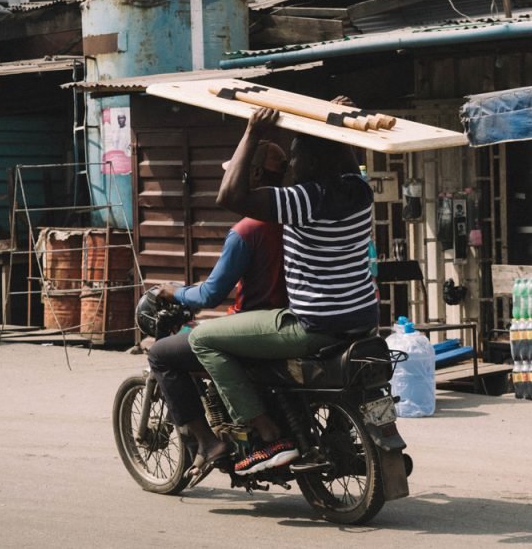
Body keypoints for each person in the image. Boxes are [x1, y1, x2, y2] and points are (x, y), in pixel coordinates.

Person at [189, 105, 378, 476]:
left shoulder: (304, 200)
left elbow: (229, 196)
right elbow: (344, 155)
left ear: (309, 161)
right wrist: (334, 118)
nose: (292, 164)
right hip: (363, 320)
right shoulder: (359, 189)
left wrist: (252, 132)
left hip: (314, 326)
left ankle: (267, 432)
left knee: (203, 340)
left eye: (295, 155)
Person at [147, 140, 288, 487]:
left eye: (237, 173)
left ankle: (210, 442)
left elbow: (211, 293)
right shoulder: (297, 218)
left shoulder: (247, 230)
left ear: (253, 175)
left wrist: (173, 291)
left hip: (257, 326)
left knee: (161, 354)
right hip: (293, 320)